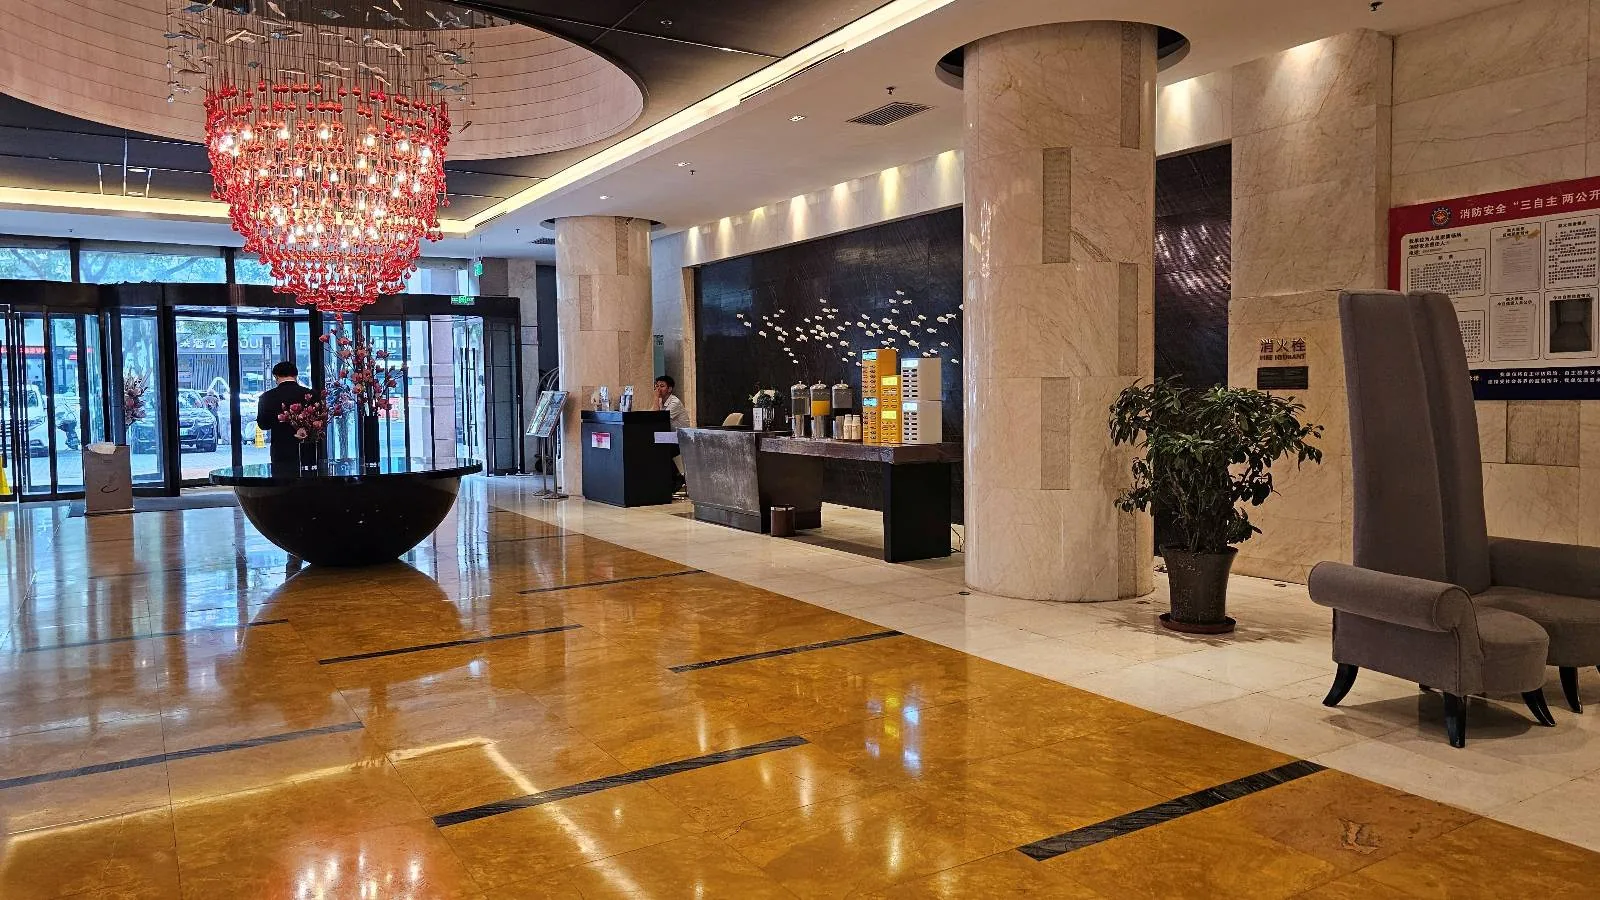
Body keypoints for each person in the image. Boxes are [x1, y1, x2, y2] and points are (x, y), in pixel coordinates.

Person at [256, 361, 313, 469]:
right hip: (308, 449)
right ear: (296, 375)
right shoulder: (310, 394)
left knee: (281, 480)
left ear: (275, 376)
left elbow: (263, 425)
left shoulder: (267, 397)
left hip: (280, 449)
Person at [654, 374, 691, 491]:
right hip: (669, 437)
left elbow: (657, 418)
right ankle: (674, 478)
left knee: (661, 449)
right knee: (654, 447)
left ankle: (677, 478)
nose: (658, 389)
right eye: (657, 386)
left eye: (662, 386)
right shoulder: (661, 402)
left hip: (681, 438)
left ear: (669, 389)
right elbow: (651, 416)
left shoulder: (674, 402)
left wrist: (655, 398)